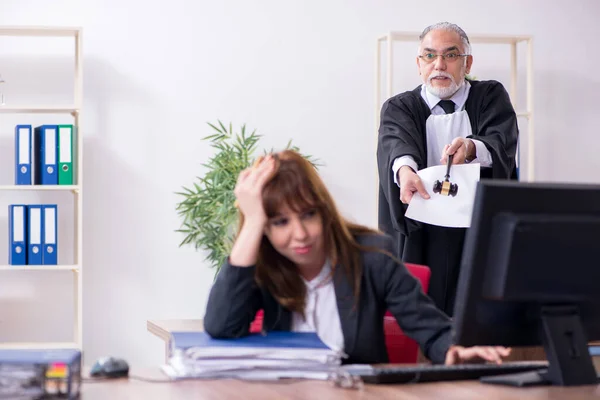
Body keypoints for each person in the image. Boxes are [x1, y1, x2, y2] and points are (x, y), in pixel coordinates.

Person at [204, 150, 511, 365]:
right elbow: (221, 325)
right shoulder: (264, 267)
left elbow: (430, 327)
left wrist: (453, 348)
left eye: (308, 214)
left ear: (324, 210)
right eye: (280, 222)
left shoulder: (372, 256)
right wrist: (252, 221)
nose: (299, 234)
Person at [377, 22, 518, 316]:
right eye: (429, 56)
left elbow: (500, 139)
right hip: (420, 227)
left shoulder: (490, 96)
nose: (439, 64)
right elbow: (396, 144)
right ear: (419, 64)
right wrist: (406, 173)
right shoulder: (399, 106)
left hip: (474, 226)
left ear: (467, 62)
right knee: (420, 314)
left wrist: (471, 147)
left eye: (450, 55)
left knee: (475, 314)